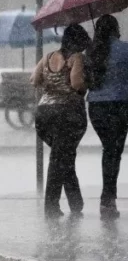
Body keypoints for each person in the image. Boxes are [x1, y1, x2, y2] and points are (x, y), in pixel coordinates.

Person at [31, 24, 91, 217]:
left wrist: (52, 85)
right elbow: (77, 84)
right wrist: (86, 85)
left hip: (43, 114)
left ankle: (76, 203)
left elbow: (34, 80)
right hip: (68, 114)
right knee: (59, 159)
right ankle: (51, 206)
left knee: (63, 157)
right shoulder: (77, 58)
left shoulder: (47, 57)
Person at [87, 15, 128, 219]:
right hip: (120, 106)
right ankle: (107, 199)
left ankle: (107, 198)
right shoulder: (125, 49)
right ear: (115, 29)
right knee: (114, 151)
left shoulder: (91, 52)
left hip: (96, 108)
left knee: (108, 149)